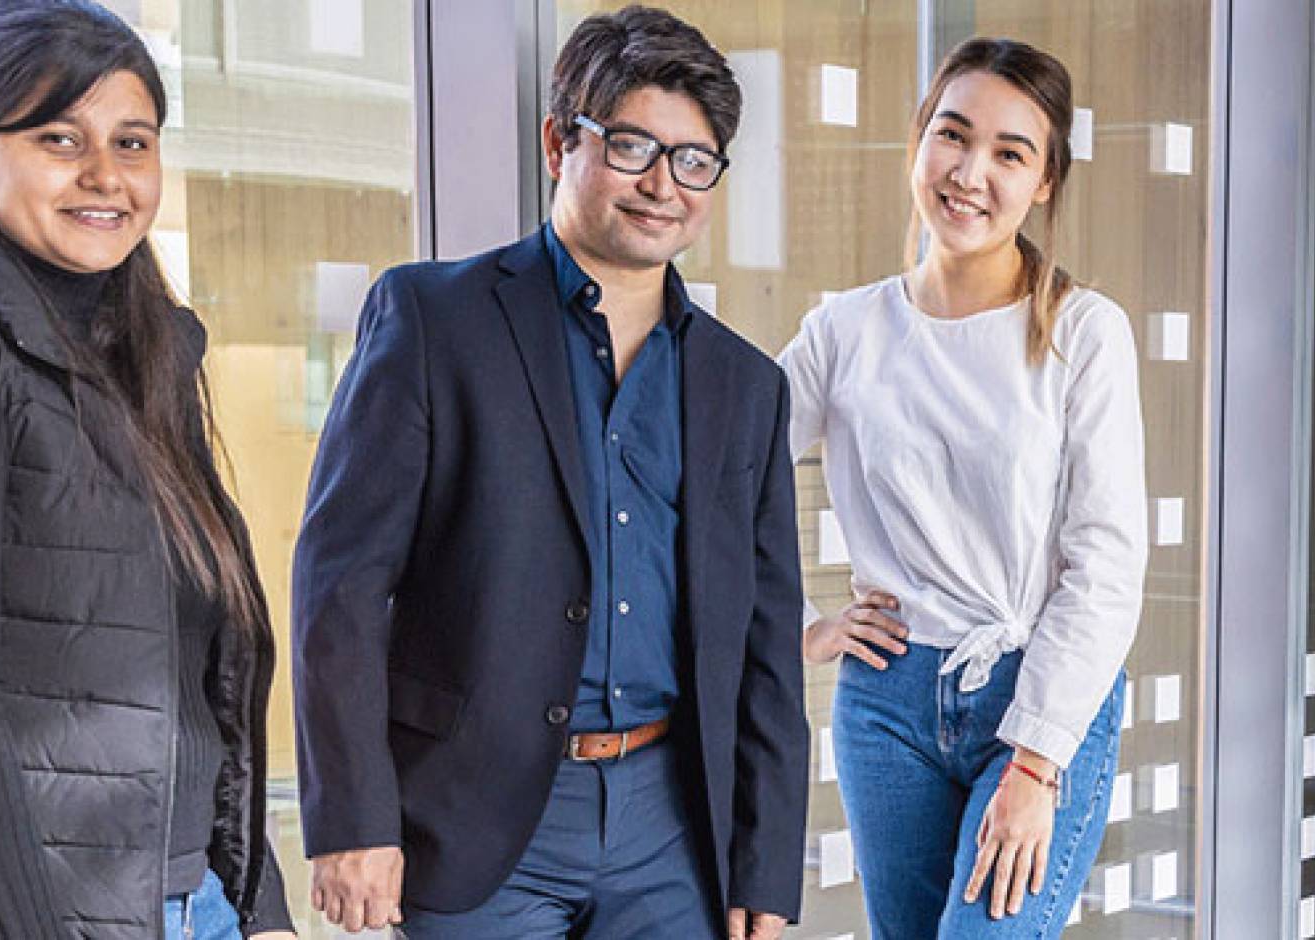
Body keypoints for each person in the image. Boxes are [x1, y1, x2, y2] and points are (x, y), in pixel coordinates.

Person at [290, 6, 808, 939]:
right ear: (559, 141)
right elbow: (341, 585)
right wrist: (354, 816)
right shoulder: (433, 319)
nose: (662, 185)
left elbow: (766, 646)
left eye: (694, 160)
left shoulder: (746, 386)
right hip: (476, 814)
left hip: (671, 824)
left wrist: (765, 863)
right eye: (633, 147)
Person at [0, 2, 295, 937]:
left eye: (132, 142)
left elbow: (196, 684)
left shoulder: (145, 353)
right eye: (59, 138)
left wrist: (255, 901)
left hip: (180, 902)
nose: (105, 174)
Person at [778, 37, 1147, 938]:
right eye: (953, 134)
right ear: (919, 139)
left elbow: (1105, 565)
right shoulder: (844, 331)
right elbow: (722, 484)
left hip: (1037, 694)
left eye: (1009, 153)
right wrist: (803, 626)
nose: (969, 172)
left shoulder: (1083, 332)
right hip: (886, 700)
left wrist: (1035, 764)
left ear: (1045, 181)